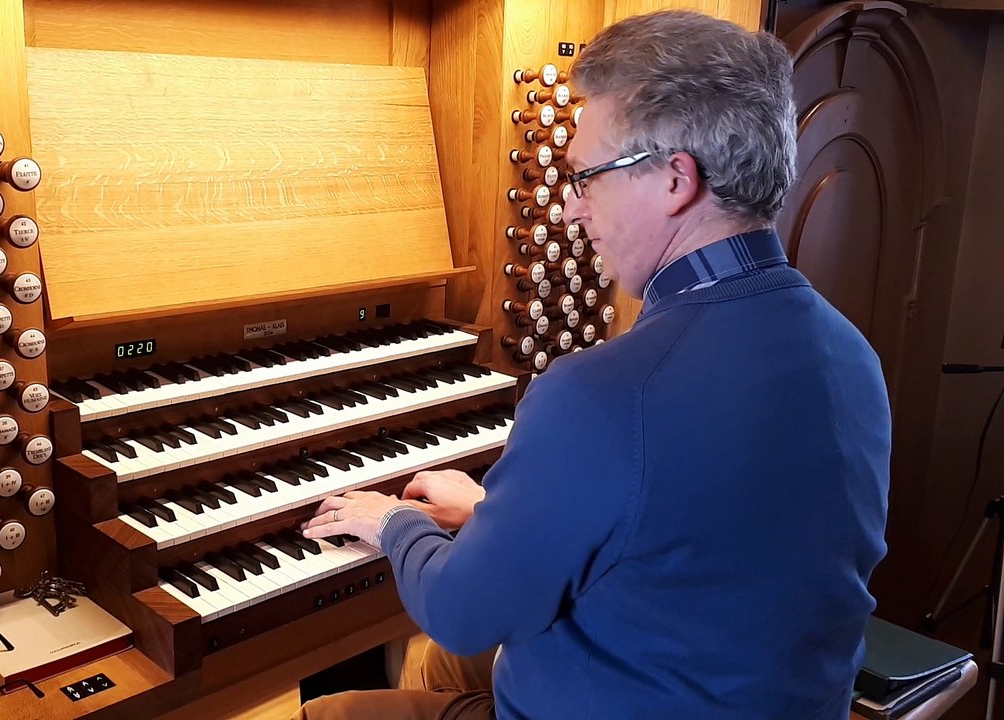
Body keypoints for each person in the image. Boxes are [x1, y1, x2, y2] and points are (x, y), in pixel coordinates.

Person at [294, 9, 891, 720]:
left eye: (587, 177)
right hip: (766, 691)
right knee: (439, 663)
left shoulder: (604, 394)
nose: (572, 211)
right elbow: (694, 532)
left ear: (675, 180)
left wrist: (393, 522)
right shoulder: (850, 354)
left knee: (335, 707)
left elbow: (459, 609)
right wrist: (491, 512)